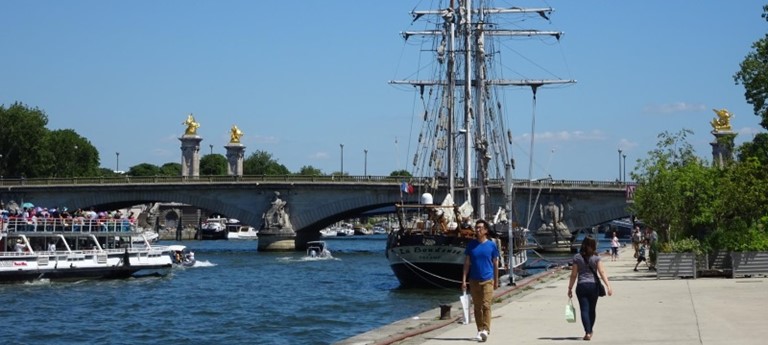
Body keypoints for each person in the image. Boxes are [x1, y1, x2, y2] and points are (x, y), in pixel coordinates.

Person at [568, 237, 612, 341]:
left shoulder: (577, 257)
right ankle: (590, 331)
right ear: (593, 246)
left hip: (581, 286)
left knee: (584, 309)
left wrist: (570, 288)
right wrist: (608, 286)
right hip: (593, 286)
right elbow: (602, 272)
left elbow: (573, 275)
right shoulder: (596, 257)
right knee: (592, 310)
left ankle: (587, 332)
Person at [461, 219, 499, 342]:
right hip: (473, 280)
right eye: (476, 228)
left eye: (480, 228)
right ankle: (479, 329)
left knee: (486, 305)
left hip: (487, 279)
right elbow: (467, 263)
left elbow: (495, 263)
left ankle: (486, 330)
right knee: (477, 307)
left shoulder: (492, 245)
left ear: (486, 231)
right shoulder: (471, 245)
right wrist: (464, 280)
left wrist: (496, 280)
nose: (478, 230)